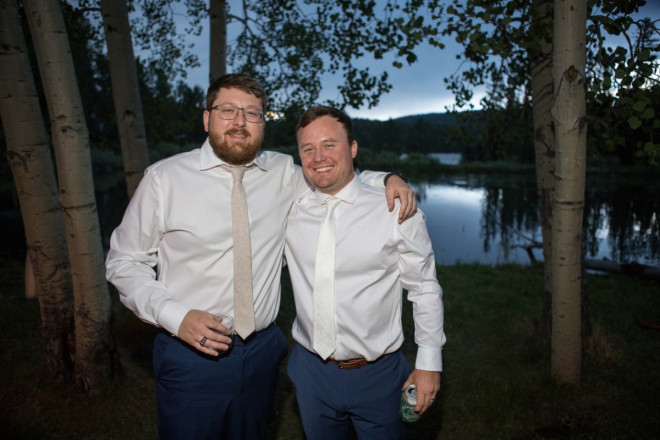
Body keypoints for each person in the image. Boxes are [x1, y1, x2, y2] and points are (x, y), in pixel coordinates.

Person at [105, 74, 416, 440]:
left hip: (263, 353)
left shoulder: (283, 172)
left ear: (263, 123)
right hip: (190, 353)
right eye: (228, 110)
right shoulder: (164, 179)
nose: (239, 121)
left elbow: (336, 174)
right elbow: (124, 262)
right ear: (207, 119)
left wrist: (388, 178)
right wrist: (176, 317)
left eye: (252, 113)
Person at [284, 106, 446, 439]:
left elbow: (424, 288)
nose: (318, 157)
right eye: (308, 148)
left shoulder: (394, 209)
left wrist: (429, 362)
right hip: (310, 372)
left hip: (378, 375)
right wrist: (387, 174)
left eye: (330, 144)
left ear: (353, 148)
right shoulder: (290, 206)